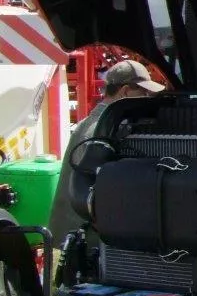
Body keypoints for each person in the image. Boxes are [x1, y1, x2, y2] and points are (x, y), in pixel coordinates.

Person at [47, 59, 165, 244]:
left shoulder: (94, 122)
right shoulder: (99, 130)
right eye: (143, 92)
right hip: (84, 240)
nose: (147, 98)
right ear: (125, 91)